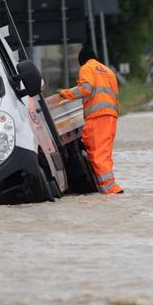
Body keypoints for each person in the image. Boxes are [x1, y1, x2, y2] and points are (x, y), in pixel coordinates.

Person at [60, 46, 123, 194]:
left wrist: (65, 93)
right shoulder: (108, 71)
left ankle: (110, 189)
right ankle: (108, 186)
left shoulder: (87, 68)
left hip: (97, 117)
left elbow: (85, 89)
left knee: (97, 154)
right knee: (105, 153)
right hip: (111, 116)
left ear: (82, 61)